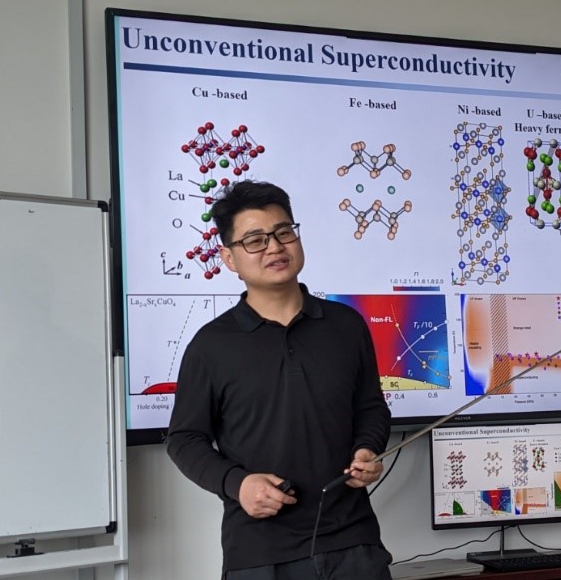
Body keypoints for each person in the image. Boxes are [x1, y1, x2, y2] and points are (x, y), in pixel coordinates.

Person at [166, 180, 393, 579]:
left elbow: (370, 408)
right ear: (229, 258)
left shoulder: (346, 326)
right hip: (260, 552)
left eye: (283, 232)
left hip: (353, 544)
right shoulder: (211, 345)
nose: (274, 247)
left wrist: (367, 449)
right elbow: (184, 439)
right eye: (255, 240)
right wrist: (237, 484)